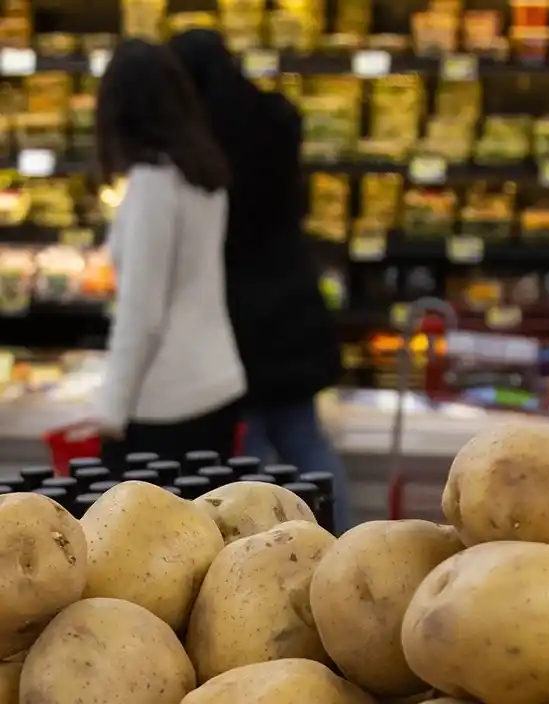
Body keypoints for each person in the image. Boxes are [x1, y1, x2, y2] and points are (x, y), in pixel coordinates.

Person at [169, 30, 350, 529]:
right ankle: (341, 539)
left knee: (244, 449)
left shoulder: (198, 140)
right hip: (293, 296)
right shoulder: (277, 118)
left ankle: (250, 548)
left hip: (236, 311)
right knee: (305, 439)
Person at [93, 39, 245, 471]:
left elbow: (142, 313)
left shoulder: (152, 184)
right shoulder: (203, 172)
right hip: (217, 381)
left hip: (166, 401)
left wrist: (111, 409)